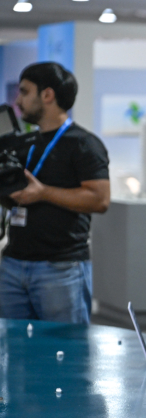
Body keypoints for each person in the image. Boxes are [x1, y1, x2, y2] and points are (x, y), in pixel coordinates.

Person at [1, 62, 110, 324]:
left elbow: (100, 199)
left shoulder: (83, 144)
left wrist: (43, 193)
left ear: (47, 95)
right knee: (13, 354)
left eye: (25, 92)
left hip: (60, 267)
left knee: (65, 354)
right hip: (13, 263)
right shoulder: (25, 144)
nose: (18, 101)